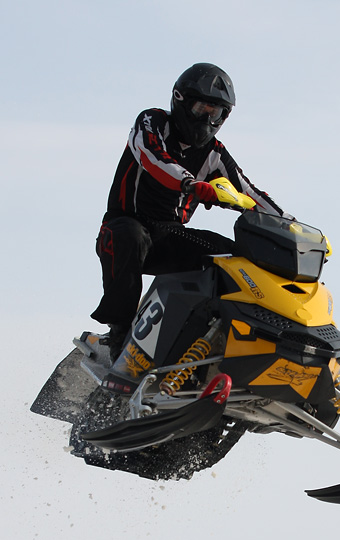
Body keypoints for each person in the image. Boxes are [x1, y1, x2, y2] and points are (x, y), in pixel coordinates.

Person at [91, 62, 291, 360]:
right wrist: (192, 184)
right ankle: (120, 334)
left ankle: (218, 341)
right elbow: (151, 156)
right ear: (181, 100)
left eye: (216, 113)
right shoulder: (152, 121)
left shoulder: (214, 153)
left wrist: (292, 229)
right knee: (129, 235)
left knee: (234, 257)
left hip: (170, 235)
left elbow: (250, 193)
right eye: (202, 109)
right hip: (124, 224)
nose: (208, 119)